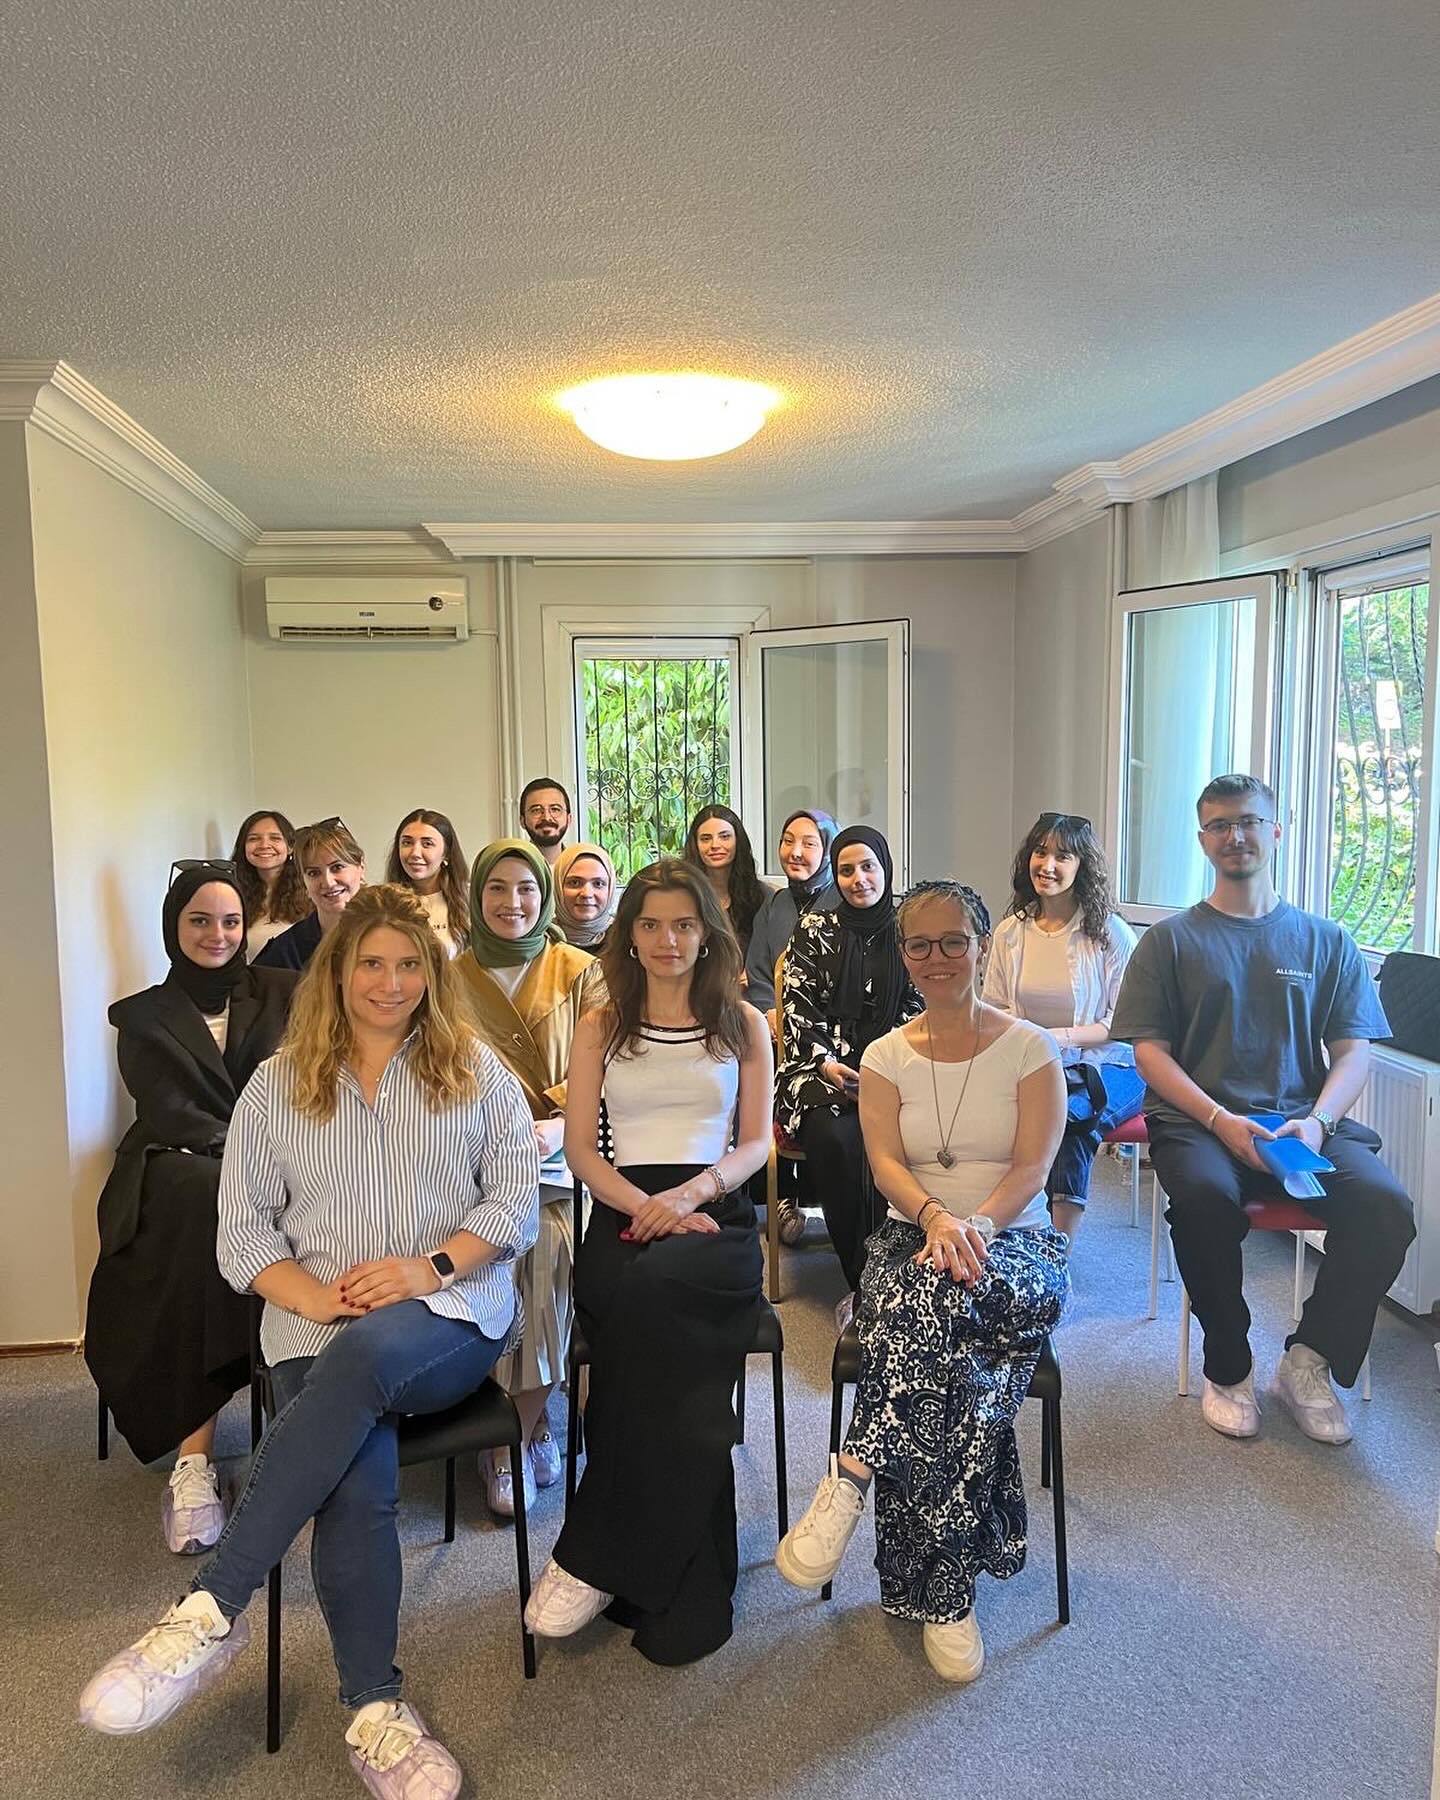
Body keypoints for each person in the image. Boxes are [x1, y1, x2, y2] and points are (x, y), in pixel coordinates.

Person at [79, 885, 540, 1798]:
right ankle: (376, 1712)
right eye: (371, 963)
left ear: (432, 973)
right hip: (309, 1323)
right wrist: (317, 1298)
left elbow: (515, 1205)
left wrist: (425, 1269)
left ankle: (211, 1607)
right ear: (335, 972)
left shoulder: (475, 1071)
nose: (391, 982)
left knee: (364, 1357)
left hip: (449, 1318)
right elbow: (243, 1237)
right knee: (355, 1479)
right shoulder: (276, 1085)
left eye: (409, 964)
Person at [775, 879, 1069, 1685]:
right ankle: (948, 1596)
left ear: (982, 946)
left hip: (1017, 1244)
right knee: (944, 1352)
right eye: (919, 944)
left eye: (953, 941)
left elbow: (1033, 1167)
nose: (936, 957)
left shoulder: (1031, 1048)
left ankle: (854, 1470)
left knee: (925, 1315)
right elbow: (886, 1165)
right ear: (904, 955)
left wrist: (975, 1228)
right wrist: (938, 1220)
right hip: (913, 1235)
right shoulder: (885, 1056)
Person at [1109, 773, 1416, 1445]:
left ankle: (1307, 1362)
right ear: (1203, 840)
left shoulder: (1326, 940)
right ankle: (1230, 1367)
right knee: (1203, 1202)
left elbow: (1353, 1052)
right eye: (1219, 825)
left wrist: (1319, 1123)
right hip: (1198, 1123)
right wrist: (1219, 1120)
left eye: (1248, 821)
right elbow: (1150, 1055)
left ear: (1275, 832)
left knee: (1386, 1207)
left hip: (1302, 1123)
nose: (1235, 835)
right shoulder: (1169, 942)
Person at [524, 859, 773, 1665]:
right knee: (654, 1330)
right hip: (623, 1213)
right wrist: (644, 1207)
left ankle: (593, 1553)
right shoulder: (602, 1025)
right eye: (652, 924)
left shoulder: (743, 1023)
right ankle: (689, 1578)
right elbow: (580, 1151)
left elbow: (756, 1144)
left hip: (716, 1216)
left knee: (652, 1304)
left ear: (707, 934)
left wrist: (692, 1195)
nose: (668, 940)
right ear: (629, 935)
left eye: (684, 924)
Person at [84, 864, 296, 1550]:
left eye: (231, 921)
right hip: (176, 1164)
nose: (218, 934)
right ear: (173, 926)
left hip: (281, 1156)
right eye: (200, 920)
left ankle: (314, 1422)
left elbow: (306, 1081)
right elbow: (169, 1110)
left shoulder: (286, 991)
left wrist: (268, 1152)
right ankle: (194, 1457)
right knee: (204, 1204)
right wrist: (245, 1155)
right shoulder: (141, 1015)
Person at [453, 838, 605, 1516]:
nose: (511, 902)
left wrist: (559, 1119)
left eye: (526, 889)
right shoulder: (447, 978)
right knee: (469, 1255)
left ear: (544, 897)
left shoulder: (582, 972)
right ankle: (513, 1419)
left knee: (544, 1247)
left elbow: (608, 1063)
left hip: (560, 1158)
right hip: (466, 1158)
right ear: (476, 895)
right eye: (497, 888)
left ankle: (514, 1430)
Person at [777, 826, 921, 1309]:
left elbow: (918, 1006)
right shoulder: (814, 928)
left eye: (868, 867)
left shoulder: (909, 931)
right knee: (839, 1139)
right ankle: (864, 1281)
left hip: (898, 1069)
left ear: (886, 868)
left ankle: (902, 1263)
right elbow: (797, 1008)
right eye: (846, 870)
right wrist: (827, 1064)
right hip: (818, 1070)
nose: (858, 879)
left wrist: (880, 1069)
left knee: (900, 1135)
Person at [982, 812, 1142, 1238]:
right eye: (1040, 852)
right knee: (992, 1117)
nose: (1047, 865)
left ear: (1082, 866)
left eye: (1063, 856)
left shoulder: (1111, 933)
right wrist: (1032, 1048)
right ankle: (1008, 1231)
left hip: (1112, 1063)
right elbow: (995, 1008)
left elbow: (1123, 1023)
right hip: (1034, 1062)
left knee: (1069, 1120)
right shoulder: (1010, 932)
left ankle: (1058, 1251)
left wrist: (1057, 1039)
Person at [745, 808, 839, 1246]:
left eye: (809, 843)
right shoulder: (774, 904)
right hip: (777, 1029)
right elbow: (758, 970)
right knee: (761, 1081)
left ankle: (828, 1199)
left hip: (827, 1035)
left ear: (828, 849)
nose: (795, 852)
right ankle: (783, 1197)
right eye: (788, 841)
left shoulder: (843, 900)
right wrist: (769, 1011)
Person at [256, 819, 365, 972]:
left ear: (361, 867)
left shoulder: (389, 932)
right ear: (304, 882)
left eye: (337, 867)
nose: (328, 882)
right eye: (314, 873)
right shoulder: (286, 951)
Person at [682, 803, 772, 966]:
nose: (715, 845)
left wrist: (749, 974)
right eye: (705, 839)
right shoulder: (683, 896)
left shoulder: (762, 896)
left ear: (738, 841)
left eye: (724, 837)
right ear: (695, 845)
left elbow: (770, 953)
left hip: (750, 981)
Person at [385, 808, 469, 956]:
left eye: (427, 844)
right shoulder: (385, 902)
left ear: (446, 853)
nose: (415, 853)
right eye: (407, 843)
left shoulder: (469, 898)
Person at [230, 810, 309, 960]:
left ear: (290, 847)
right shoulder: (233, 894)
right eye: (254, 839)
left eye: (275, 838)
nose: (264, 845)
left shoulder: (310, 892)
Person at [553, 841, 619, 950]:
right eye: (575, 883)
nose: (587, 894)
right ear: (558, 886)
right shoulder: (539, 941)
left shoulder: (627, 939)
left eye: (598, 884)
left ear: (610, 888)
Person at [519, 776, 572, 867]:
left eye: (555, 809)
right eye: (536, 810)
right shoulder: (510, 869)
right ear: (522, 821)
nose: (546, 817)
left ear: (569, 819)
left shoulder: (582, 869)